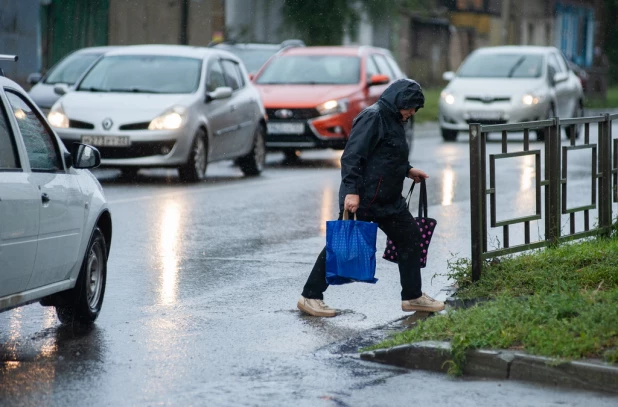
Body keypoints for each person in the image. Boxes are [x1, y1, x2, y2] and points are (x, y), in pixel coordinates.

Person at [297, 78, 445, 317]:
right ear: (400, 101)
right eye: (410, 107)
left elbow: (387, 153)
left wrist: (407, 170)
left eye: (415, 109)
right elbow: (352, 157)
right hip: (365, 198)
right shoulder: (373, 117)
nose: (412, 113)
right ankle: (310, 296)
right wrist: (351, 192)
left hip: (389, 201)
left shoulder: (394, 119)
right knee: (341, 247)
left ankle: (412, 296)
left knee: (411, 239)